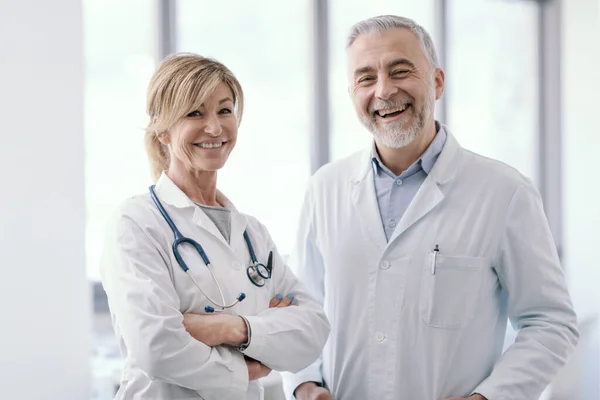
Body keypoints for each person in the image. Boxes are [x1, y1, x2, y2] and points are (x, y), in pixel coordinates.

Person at [282, 15, 578, 400]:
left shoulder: (504, 192)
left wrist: (489, 398)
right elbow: (301, 308)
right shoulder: (325, 188)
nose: (384, 91)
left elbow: (551, 321)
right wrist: (304, 385)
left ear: (437, 81)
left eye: (400, 71)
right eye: (366, 78)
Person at [99, 53, 330, 400]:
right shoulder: (137, 223)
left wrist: (231, 328)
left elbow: (312, 330)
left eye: (224, 110)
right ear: (162, 130)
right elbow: (156, 347)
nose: (214, 127)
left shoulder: (252, 233)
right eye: (195, 112)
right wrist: (249, 365)